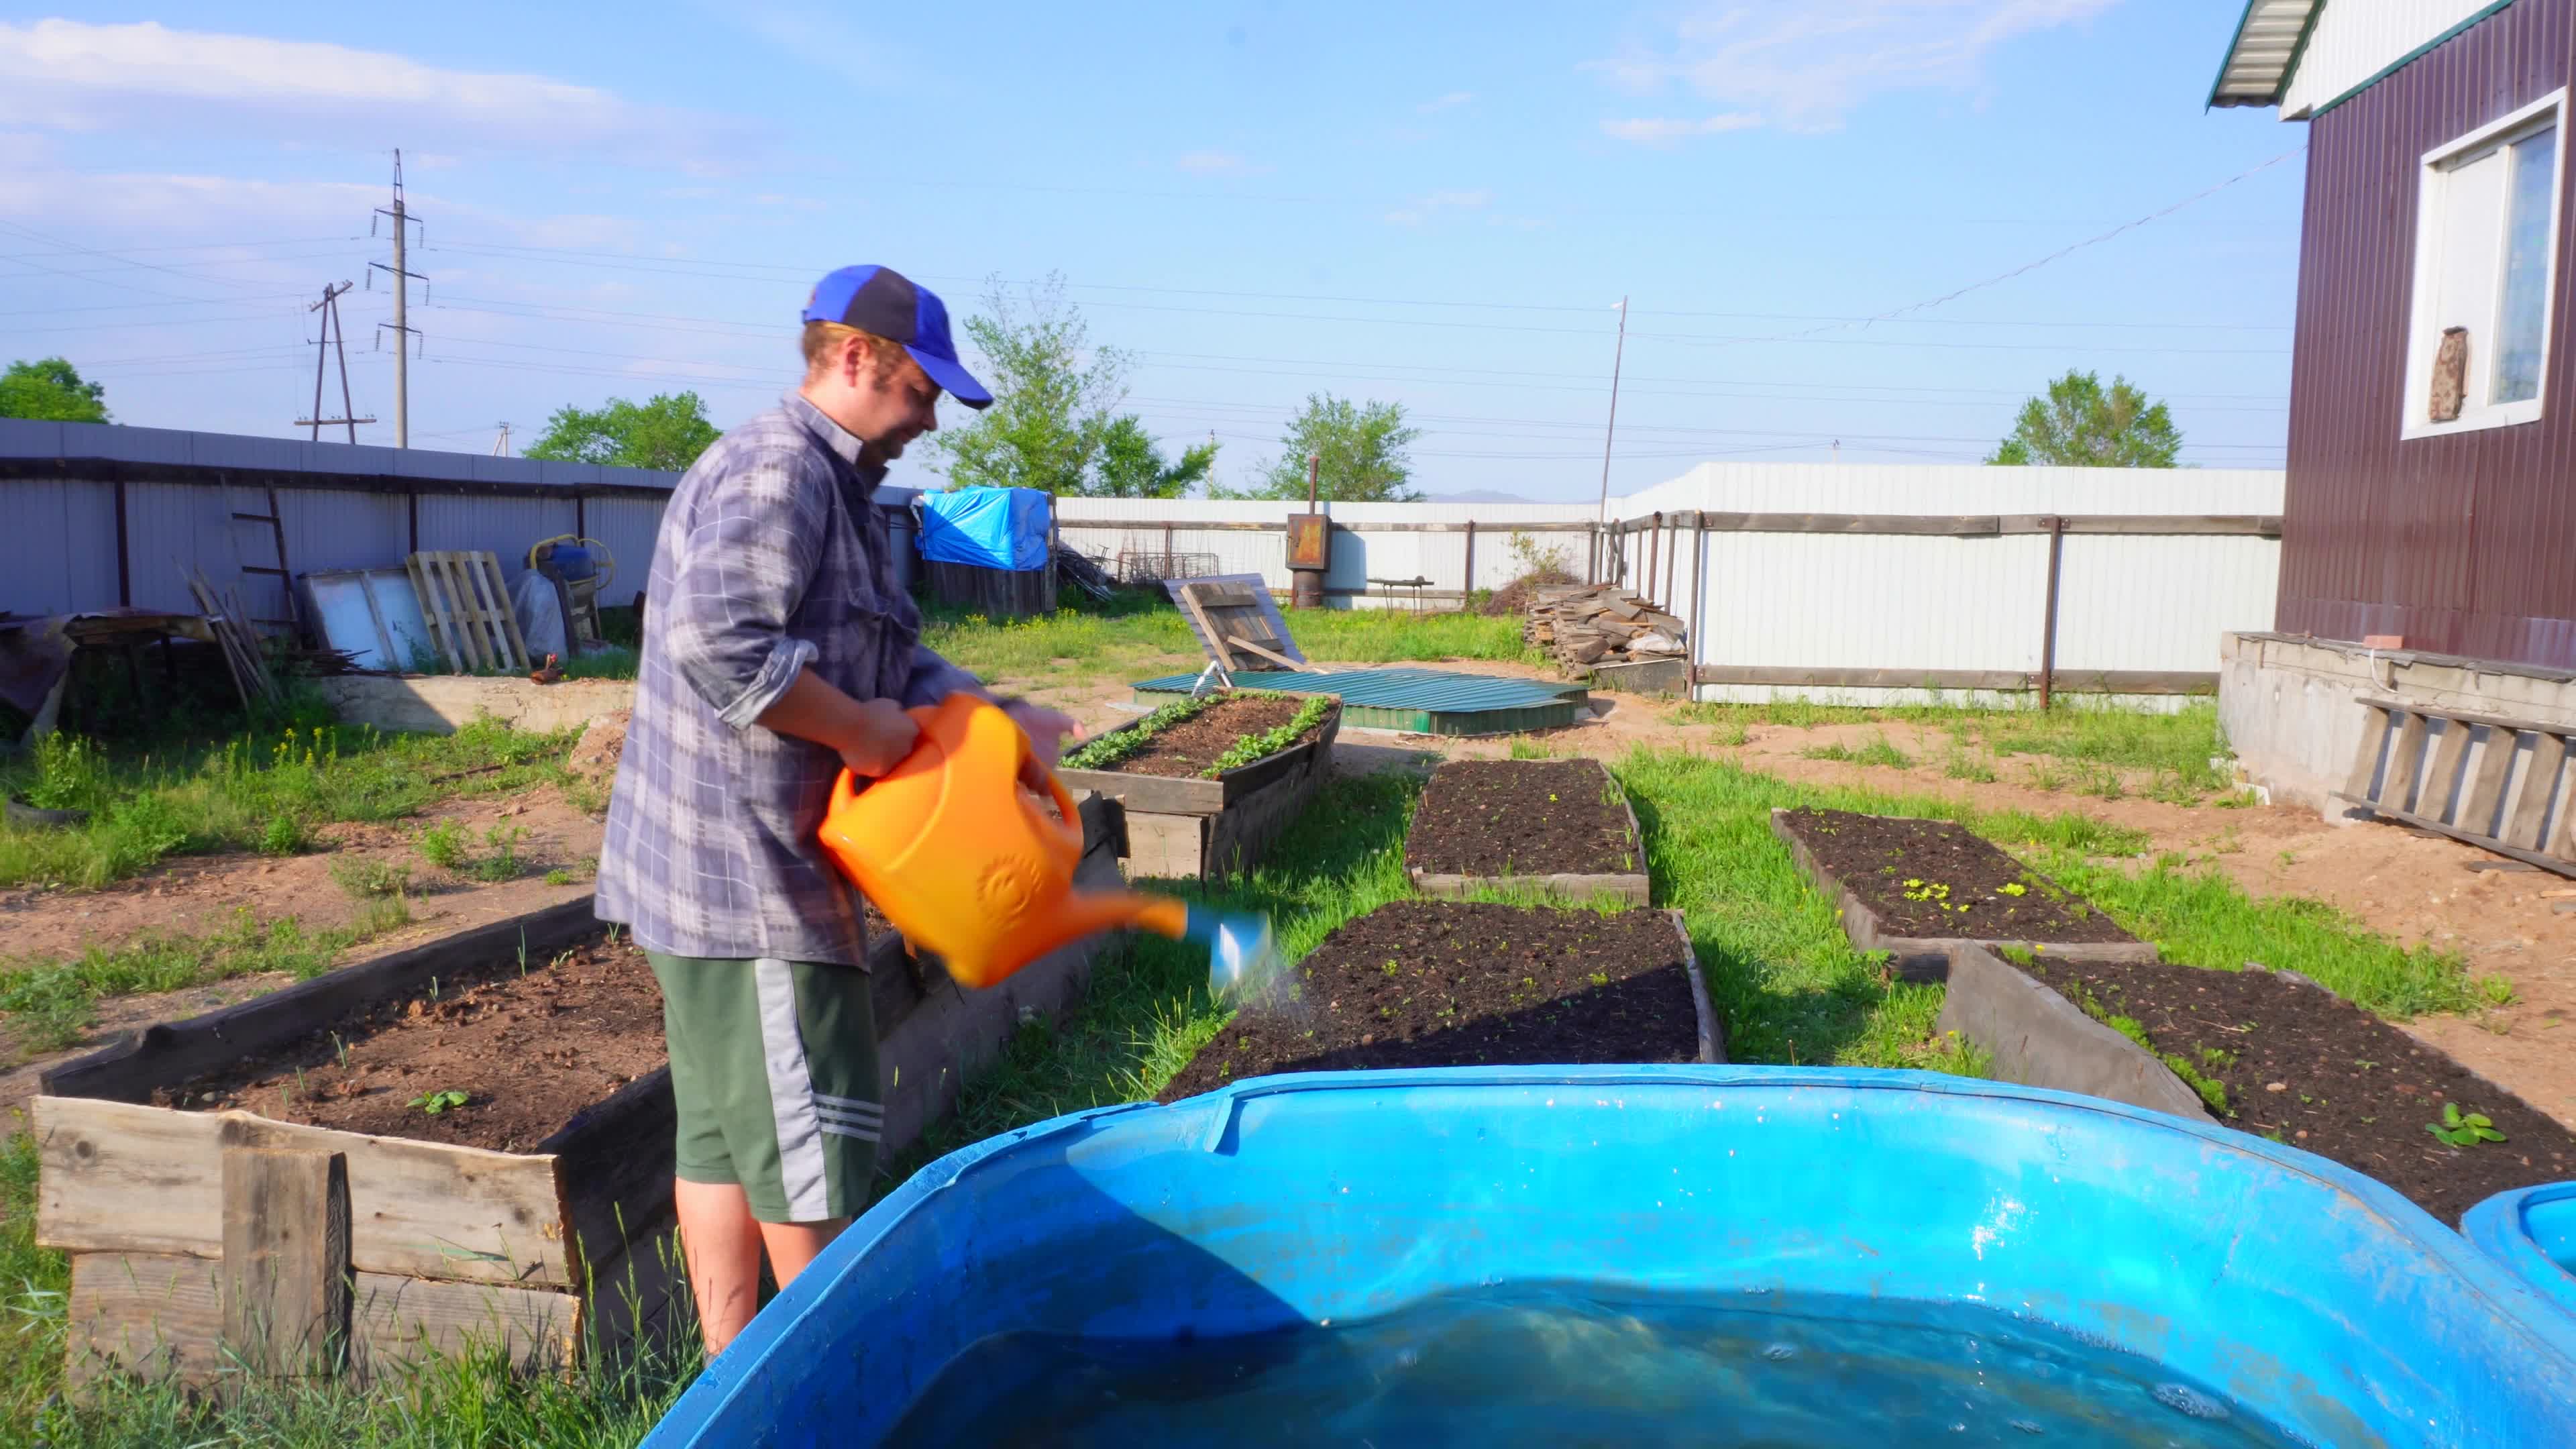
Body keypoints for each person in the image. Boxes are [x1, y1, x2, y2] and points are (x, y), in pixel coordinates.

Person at [596, 264, 1079, 1356]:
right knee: (807, 1163)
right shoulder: (782, 473)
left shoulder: (844, 491)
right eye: (921, 391)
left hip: (713, 883)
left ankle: (732, 1382)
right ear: (854, 358)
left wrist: (997, 715)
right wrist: (863, 734)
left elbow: (890, 651)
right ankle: (828, 1400)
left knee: (726, 1143)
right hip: (750, 881)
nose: (929, 419)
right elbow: (720, 647)